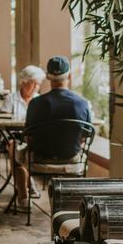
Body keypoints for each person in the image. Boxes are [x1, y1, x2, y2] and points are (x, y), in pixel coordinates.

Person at [17, 56, 92, 209]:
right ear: (69, 76)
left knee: (14, 153)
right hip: (71, 161)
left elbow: (28, 136)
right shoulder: (82, 103)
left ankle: (23, 199)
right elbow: (85, 136)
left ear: (48, 77)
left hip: (39, 161)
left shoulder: (35, 104)